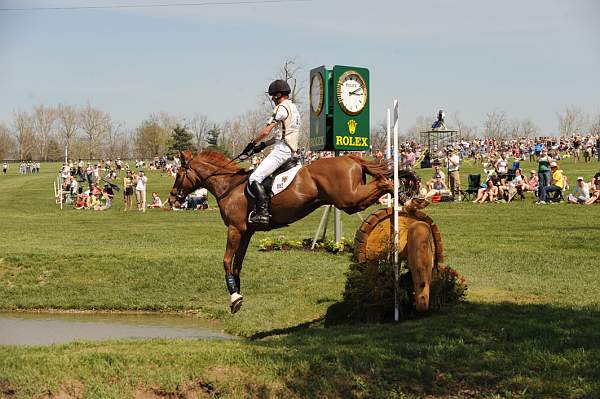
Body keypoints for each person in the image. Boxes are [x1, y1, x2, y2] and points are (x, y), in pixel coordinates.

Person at [246, 79, 300, 226]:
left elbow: (266, 131)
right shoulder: (294, 109)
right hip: (291, 150)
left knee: (254, 178)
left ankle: (262, 214)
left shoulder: (281, 108)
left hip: (282, 151)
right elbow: (282, 135)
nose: (272, 99)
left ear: (278, 95)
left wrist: (253, 143)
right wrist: (263, 145)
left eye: (273, 96)